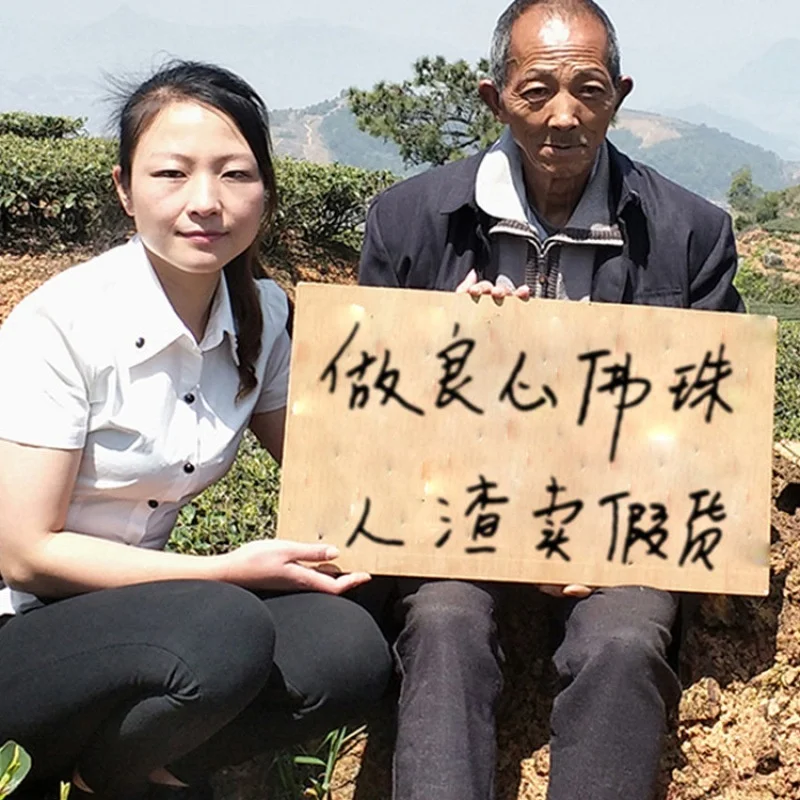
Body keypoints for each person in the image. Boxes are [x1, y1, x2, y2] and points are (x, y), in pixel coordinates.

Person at [357, 1, 743, 799]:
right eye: (536, 91)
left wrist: (607, 532)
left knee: (628, 639)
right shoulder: (408, 219)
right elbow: (374, 419)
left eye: (589, 90)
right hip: (453, 511)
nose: (563, 115)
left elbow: (707, 426)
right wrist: (445, 346)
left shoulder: (692, 233)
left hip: (620, 515)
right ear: (494, 97)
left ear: (620, 96)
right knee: (442, 623)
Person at [0, 61, 391, 800]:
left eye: (234, 175)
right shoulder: (61, 325)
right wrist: (225, 571)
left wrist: (468, 334)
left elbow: (338, 462)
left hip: (138, 618)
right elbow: (25, 554)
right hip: (20, 631)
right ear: (124, 188)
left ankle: (112, 770)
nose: (205, 202)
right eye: (172, 174)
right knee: (221, 632)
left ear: (267, 194)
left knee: (347, 646)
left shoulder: (263, 315)